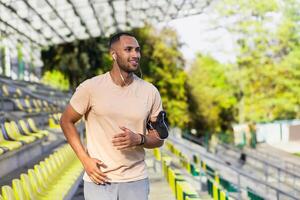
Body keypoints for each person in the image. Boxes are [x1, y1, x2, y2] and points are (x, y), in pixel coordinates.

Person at [60, 32, 165, 200]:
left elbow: (159, 138)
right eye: (128, 49)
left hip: (136, 180)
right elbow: (66, 121)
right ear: (113, 54)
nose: (135, 55)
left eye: (137, 50)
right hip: (99, 179)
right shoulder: (90, 88)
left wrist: (139, 139)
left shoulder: (150, 91)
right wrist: (85, 160)